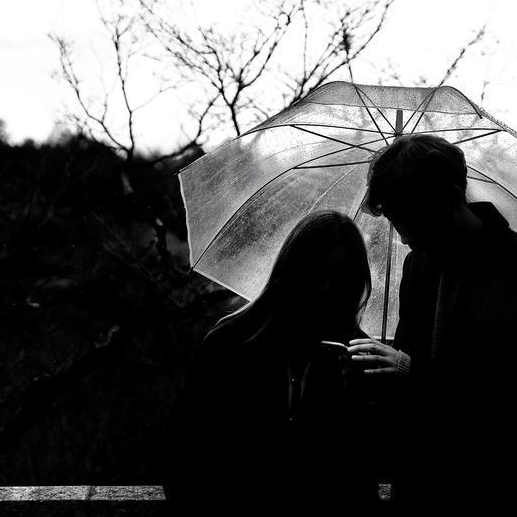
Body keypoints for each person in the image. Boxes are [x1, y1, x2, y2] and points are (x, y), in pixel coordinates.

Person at [348, 134, 517, 508]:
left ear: (451, 197)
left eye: (411, 218)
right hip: (424, 490)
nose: (403, 238)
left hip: (504, 495)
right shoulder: (417, 265)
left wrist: (408, 372)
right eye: (395, 219)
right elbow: (413, 377)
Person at [160, 211, 381, 512]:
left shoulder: (358, 356)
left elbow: (360, 474)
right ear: (293, 271)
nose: (327, 288)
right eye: (317, 273)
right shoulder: (230, 342)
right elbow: (182, 452)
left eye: (341, 277)